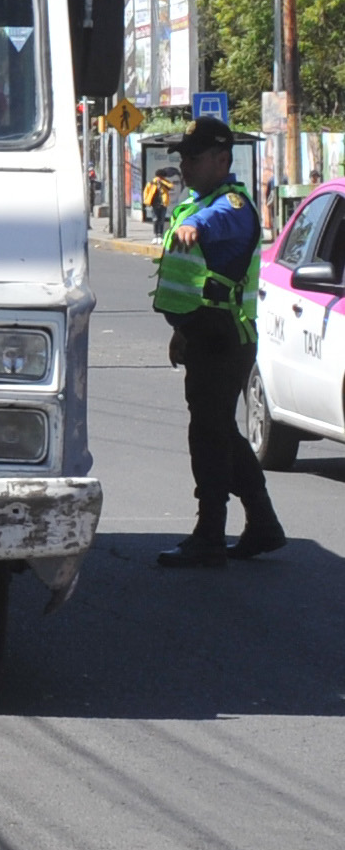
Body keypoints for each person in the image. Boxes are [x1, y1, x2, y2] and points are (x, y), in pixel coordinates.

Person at [153, 115, 285, 568]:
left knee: (209, 436)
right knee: (219, 432)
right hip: (205, 336)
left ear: (222, 159)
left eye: (193, 157)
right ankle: (263, 524)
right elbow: (202, 281)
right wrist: (180, 332)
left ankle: (211, 533)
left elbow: (215, 224)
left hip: (225, 340)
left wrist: (196, 229)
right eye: (182, 157)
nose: (184, 165)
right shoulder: (198, 200)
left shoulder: (229, 205)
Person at [144, 165, 178, 238]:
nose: (161, 178)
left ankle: (160, 234)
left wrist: (162, 182)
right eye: (160, 177)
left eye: (163, 177)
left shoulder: (165, 182)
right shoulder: (152, 183)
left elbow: (171, 186)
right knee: (155, 219)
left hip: (163, 204)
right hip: (154, 204)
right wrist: (146, 201)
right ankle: (156, 234)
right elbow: (146, 192)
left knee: (162, 219)